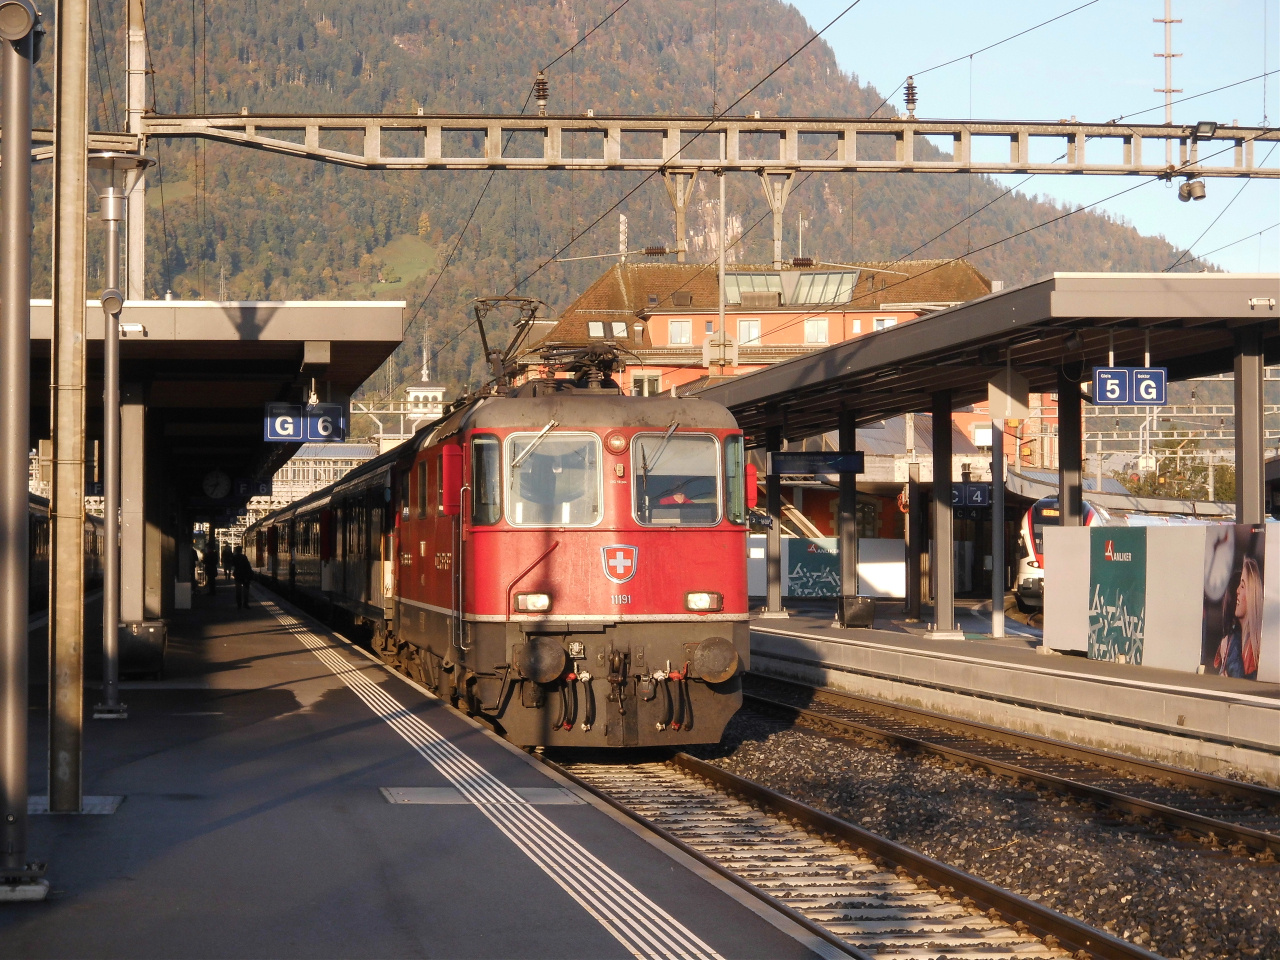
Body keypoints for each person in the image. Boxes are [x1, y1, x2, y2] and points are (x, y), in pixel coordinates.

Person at [1215, 556, 1263, 680]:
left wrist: (1230, 650)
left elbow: (1244, 684)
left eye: (1242, 586)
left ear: (1252, 594)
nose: (1237, 590)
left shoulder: (1255, 650)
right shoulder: (1237, 641)